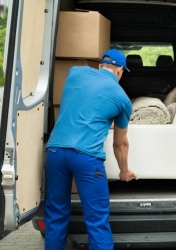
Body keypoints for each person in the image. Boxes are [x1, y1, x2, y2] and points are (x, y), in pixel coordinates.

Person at [44, 49, 137, 250]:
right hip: (86, 158)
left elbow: (87, 102)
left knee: (55, 215)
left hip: (55, 152)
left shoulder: (75, 72)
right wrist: (124, 170)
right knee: (96, 219)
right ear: (120, 71)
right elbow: (120, 143)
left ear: (100, 66)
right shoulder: (122, 99)